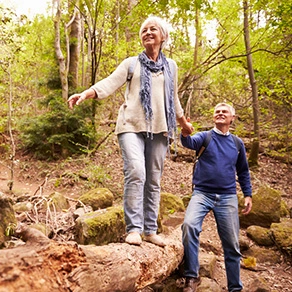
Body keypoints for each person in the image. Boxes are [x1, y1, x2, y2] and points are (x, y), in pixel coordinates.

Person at [68, 16, 193, 247]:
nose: (147, 32)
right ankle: (133, 229)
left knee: (153, 180)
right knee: (136, 172)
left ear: (163, 36)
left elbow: (172, 98)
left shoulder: (171, 66)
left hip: (160, 129)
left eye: (152, 29)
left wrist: (183, 123)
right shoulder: (131, 64)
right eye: (144, 30)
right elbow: (109, 83)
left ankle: (150, 230)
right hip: (130, 126)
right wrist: (85, 93)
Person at [180, 103, 252, 292]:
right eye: (217, 112)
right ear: (214, 117)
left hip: (227, 196)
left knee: (231, 244)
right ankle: (191, 277)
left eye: (224, 112)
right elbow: (188, 142)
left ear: (232, 118)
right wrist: (185, 132)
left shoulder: (237, 144)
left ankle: (235, 287)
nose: (220, 114)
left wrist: (248, 194)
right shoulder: (205, 137)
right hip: (202, 193)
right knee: (189, 225)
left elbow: (243, 171)